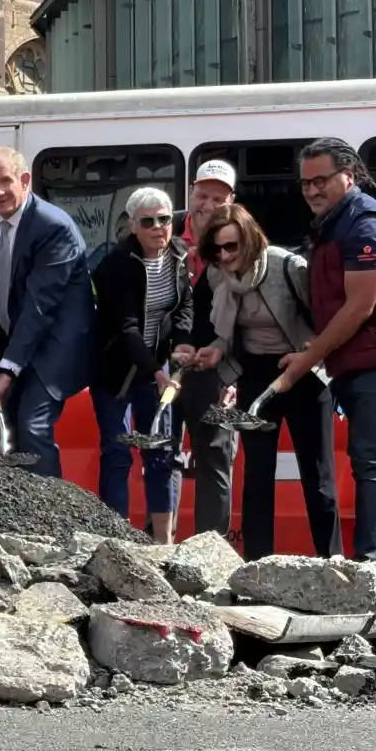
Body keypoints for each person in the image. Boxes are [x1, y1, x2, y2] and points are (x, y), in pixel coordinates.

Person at [279, 137, 376, 593]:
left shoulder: (364, 224)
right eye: (305, 182)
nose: (311, 190)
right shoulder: (336, 221)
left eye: (321, 180)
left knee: (371, 463)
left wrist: (309, 357)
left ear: (350, 174)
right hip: (375, 355)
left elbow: (359, 307)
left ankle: (369, 570)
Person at [188, 204, 342, 561]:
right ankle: (258, 565)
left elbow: (326, 318)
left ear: (251, 241)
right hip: (256, 372)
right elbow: (225, 331)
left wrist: (312, 350)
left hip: (302, 370)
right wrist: (215, 349)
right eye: (218, 249)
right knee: (257, 475)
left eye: (232, 247)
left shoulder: (287, 267)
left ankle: (332, 560)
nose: (225, 256)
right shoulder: (217, 276)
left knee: (317, 474)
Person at [0, 146, 95, 478]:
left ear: (25, 180)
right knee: (10, 425)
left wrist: (6, 370)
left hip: (57, 343)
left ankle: (50, 520)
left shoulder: (53, 226)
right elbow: (2, 285)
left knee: (32, 424)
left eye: (5, 181)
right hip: (22, 343)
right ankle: (19, 513)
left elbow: (40, 304)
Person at [90, 187, 192, 543]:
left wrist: (180, 345)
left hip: (156, 368)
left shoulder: (179, 256)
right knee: (118, 452)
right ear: (133, 226)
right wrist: (157, 371)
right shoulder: (115, 266)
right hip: (116, 371)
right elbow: (125, 329)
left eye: (165, 219)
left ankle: (163, 543)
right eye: (148, 221)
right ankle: (116, 540)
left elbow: (184, 307)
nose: (158, 227)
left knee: (160, 451)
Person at [170, 159, 240, 537]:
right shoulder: (161, 229)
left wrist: (230, 365)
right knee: (161, 456)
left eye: (218, 197)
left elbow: (249, 312)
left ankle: (210, 553)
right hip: (166, 365)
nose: (207, 204)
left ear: (231, 201)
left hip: (215, 368)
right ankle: (160, 548)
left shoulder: (241, 240)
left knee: (215, 457)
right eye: (202, 194)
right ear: (191, 191)